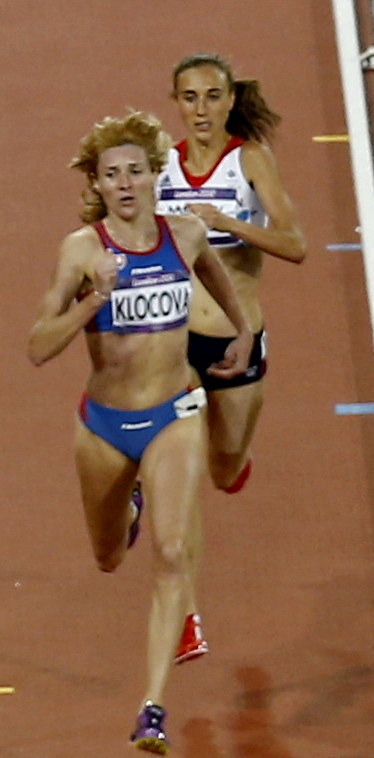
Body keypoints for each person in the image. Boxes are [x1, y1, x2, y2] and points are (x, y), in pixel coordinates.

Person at [26, 111, 258, 752]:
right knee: (107, 557)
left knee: (174, 550)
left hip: (174, 413)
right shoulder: (81, 251)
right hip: (104, 427)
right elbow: (37, 347)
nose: (125, 183)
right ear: (97, 186)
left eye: (134, 171)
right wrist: (92, 300)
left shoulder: (183, 235)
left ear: (155, 175)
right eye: (111, 175)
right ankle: (125, 505)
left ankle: (152, 707)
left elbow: (216, 273)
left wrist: (241, 331)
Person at [160, 53, 307, 499]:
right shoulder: (161, 163)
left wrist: (231, 225)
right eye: (190, 98)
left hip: (232, 340)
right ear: (177, 103)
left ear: (231, 100)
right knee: (157, 427)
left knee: (224, 471)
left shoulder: (250, 160)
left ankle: (232, 459)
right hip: (171, 334)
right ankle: (141, 487)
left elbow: (295, 245)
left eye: (212, 97)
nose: (201, 110)